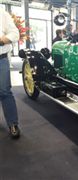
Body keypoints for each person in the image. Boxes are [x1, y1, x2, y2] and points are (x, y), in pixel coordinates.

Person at [0, 8, 20, 138]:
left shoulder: (2, 13)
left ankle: (13, 123)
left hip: (1, 59)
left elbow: (15, 33)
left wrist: (1, 40)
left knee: (5, 91)